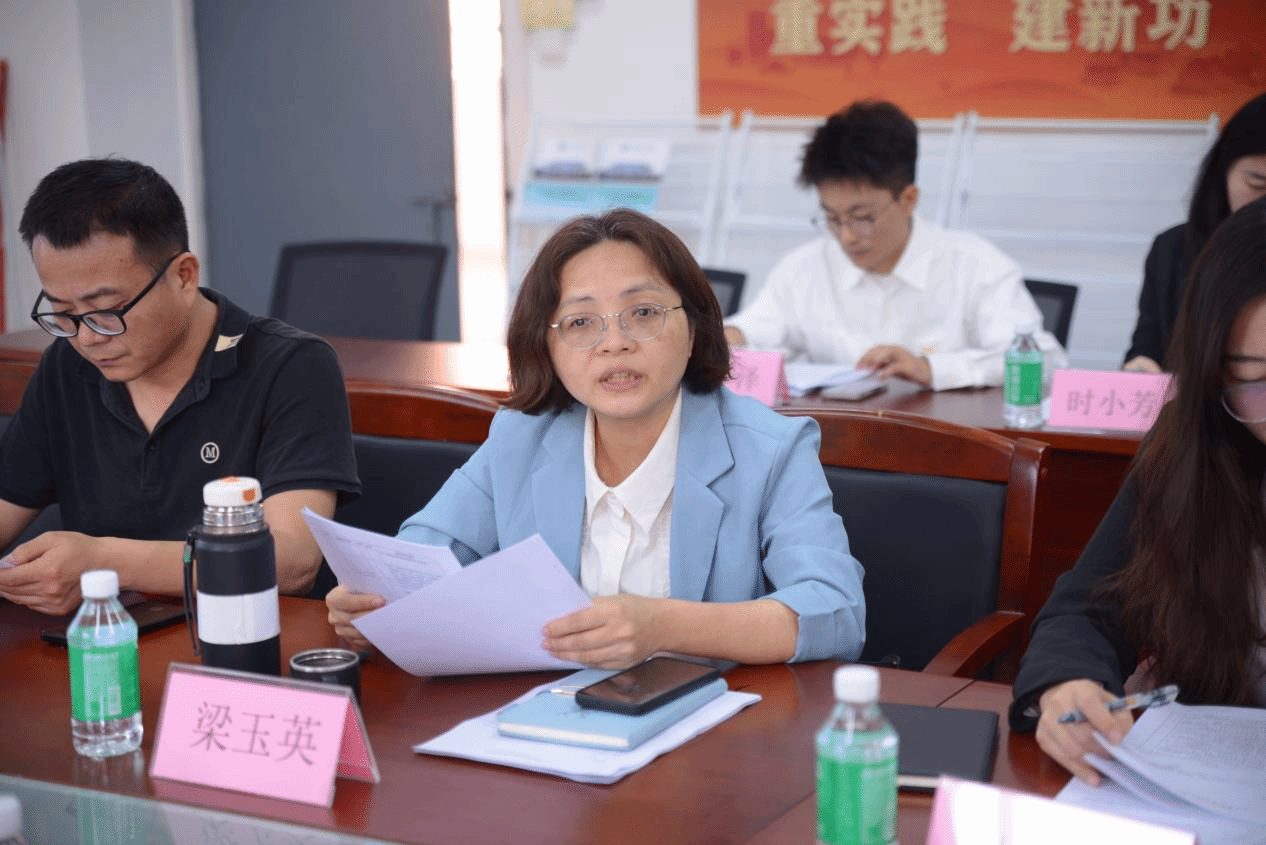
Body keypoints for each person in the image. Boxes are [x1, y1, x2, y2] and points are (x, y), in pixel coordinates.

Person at [327, 208, 866, 668]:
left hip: (716, 727)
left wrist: (664, 626)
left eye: (643, 313)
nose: (614, 343)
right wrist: (377, 600)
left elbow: (836, 611)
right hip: (548, 719)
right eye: (581, 323)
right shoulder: (522, 435)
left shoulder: (771, 450)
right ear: (546, 346)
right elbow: (424, 552)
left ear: (695, 328)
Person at [0, 158, 360, 615]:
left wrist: (104, 561)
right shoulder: (66, 366)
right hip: (106, 642)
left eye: (106, 310)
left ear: (184, 276)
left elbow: (291, 561)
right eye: (62, 313)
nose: (87, 338)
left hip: (250, 638)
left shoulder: (290, 366)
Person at [1010, 195, 1266, 786]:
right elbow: (1089, 607)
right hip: (1211, 779)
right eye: (1255, 380)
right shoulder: (1196, 448)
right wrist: (1067, 683)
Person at [723, 99, 1065, 391]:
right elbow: (753, 330)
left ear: (908, 200)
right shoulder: (804, 268)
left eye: (862, 217)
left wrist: (931, 369)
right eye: (832, 218)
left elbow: (1046, 362)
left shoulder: (974, 265)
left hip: (943, 446)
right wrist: (729, 338)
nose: (846, 236)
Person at [1124, 92, 1266, 373]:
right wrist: (1141, 369)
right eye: (1257, 186)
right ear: (1222, 173)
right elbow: (1146, 350)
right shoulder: (1172, 249)